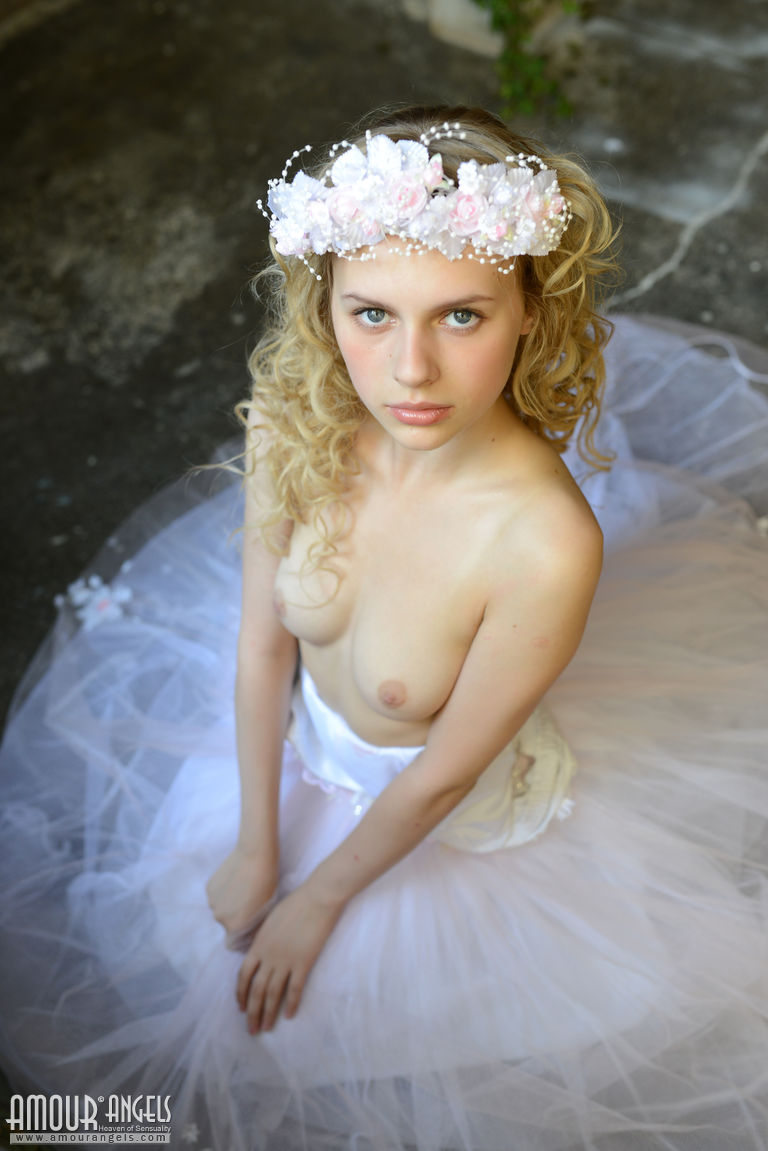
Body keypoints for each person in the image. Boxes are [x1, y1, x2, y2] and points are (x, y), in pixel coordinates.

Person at [1, 104, 767, 1151]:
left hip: (438, 813)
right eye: (371, 314)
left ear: (530, 312)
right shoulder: (296, 427)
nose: (410, 369)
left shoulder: (545, 543)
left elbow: (443, 774)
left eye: (461, 316)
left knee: (346, 1041)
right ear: (324, 307)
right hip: (295, 757)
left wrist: (316, 900)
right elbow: (264, 644)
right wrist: (259, 840)